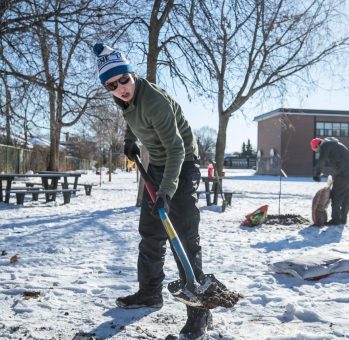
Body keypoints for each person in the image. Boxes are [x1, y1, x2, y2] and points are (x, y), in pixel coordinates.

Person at [93, 43, 210, 339]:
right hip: (158, 165)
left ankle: (200, 313)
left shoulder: (154, 100)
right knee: (151, 233)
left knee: (183, 239)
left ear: (131, 74)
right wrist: (129, 138)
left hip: (181, 166)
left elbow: (177, 149)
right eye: (112, 85)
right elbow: (132, 115)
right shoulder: (124, 100)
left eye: (123, 80)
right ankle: (149, 294)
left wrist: (167, 191)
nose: (120, 88)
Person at [311, 137, 349, 225]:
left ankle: (336, 220)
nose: (318, 152)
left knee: (336, 195)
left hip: (345, 172)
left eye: (317, 150)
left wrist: (317, 174)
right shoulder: (334, 144)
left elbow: (321, 160)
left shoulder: (325, 145)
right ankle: (343, 219)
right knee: (347, 196)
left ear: (318, 145)